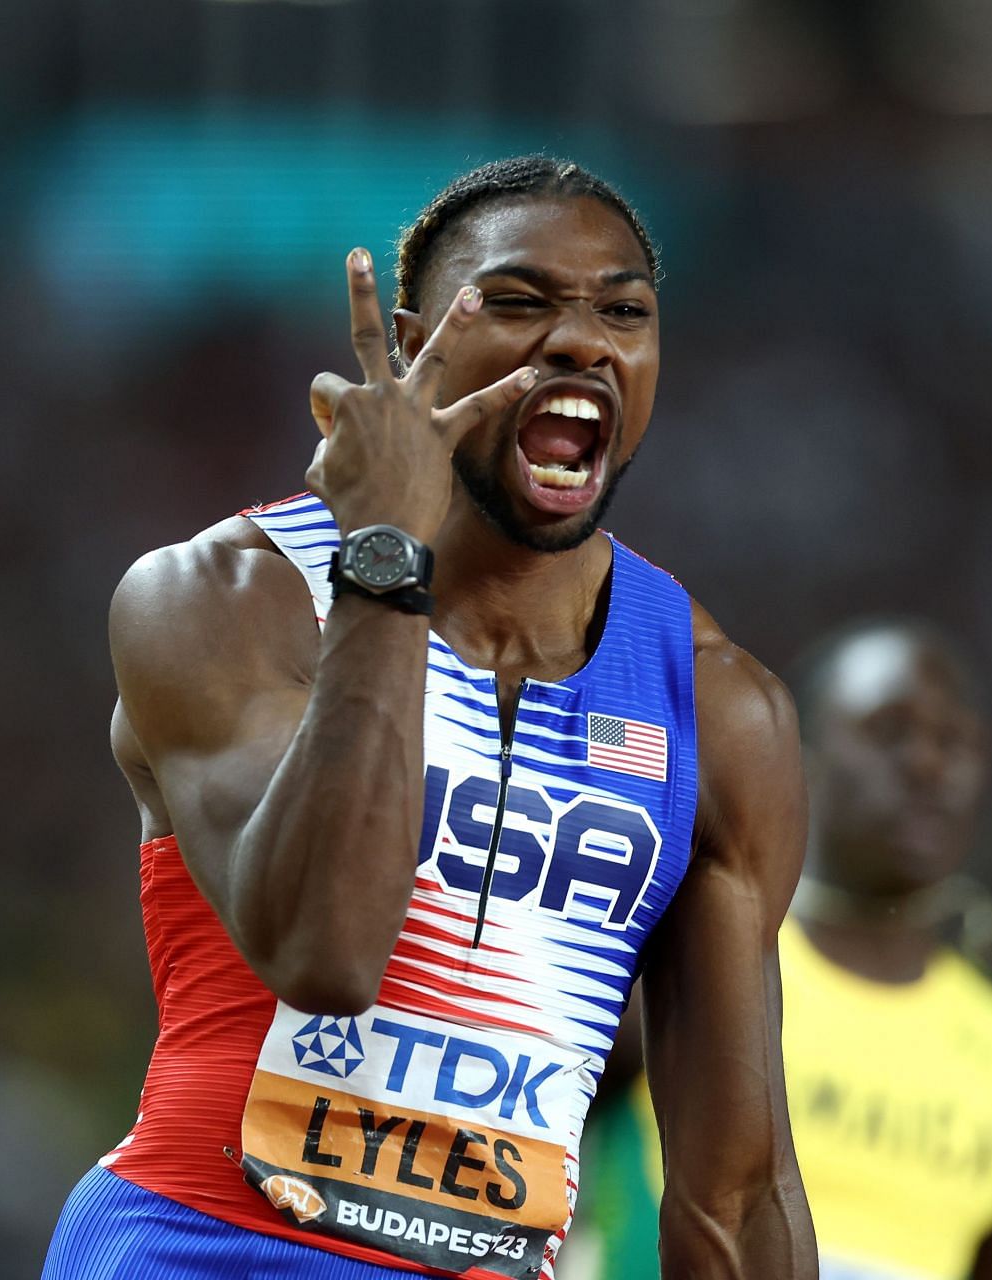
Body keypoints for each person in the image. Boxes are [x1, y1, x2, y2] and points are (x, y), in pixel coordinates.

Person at [41, 157, 816, 1280]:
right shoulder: (225, 597)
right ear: (410, 347)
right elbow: (326, 950)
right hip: (202, 1247)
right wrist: (384, 567)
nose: (581, 342)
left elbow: (735, 1191)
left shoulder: (720, 703)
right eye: (517, 302)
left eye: (624, 311)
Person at [570, 619, 992, 1280]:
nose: (928, 765)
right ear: (795, 755)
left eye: (956, 743)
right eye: (888, 731)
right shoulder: (678, 971)